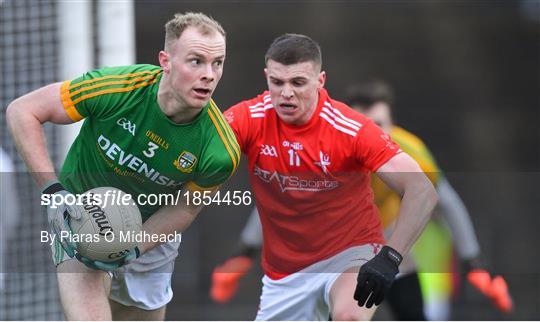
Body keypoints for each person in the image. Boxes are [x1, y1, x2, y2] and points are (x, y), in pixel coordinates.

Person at [212, 80, 513, 319]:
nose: (373, 132)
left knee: (412, 312)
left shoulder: (411, 151)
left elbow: (446, 202)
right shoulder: (327, 148)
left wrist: (474, 262)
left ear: (393, 124)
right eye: (365, 124)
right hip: (341, 249)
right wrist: (245, 252)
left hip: (392, 245)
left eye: (380, 124)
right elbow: (280, 199)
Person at [6, 12, 239, 320]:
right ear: (165, 61)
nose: (209, 74)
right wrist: (53, 191)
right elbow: (23, 111)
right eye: (196, 61)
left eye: (217, 63)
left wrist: (133, 248)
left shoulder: (220, 150)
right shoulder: (116, 88)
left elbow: (186, 208)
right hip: (80, 219)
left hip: (150, 239)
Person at [223, 34, 438, 320]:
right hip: (285, 273)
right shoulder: (246, 118)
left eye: (298, 82)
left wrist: (390, 257)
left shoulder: (351, 128)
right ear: (267, 77)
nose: (286, 92)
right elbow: (198, 161)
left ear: (320, 81)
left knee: (349, 316)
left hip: (350, 253)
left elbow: (422, 190)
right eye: (277, 82)